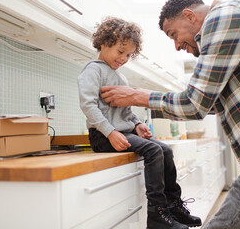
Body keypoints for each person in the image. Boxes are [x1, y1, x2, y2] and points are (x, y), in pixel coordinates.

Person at [100, 0, 240, 229]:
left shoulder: (222, 18)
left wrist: (136, 95)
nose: (177, 46)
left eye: (174, 34)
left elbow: (195, 104)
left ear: (190, 16)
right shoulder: (236, 16)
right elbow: (209, 103)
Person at [77, 16, 201, 229]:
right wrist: (110, 132)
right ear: (105, 42)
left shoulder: (121, 77)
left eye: (128, 55)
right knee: (154, 151)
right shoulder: (93, 70)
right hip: (105, 136)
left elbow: (126, 111)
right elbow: (88, 107)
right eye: (120, 52)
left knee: (166, 151)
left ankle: (173, 206)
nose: (124, 58)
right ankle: (157, 216)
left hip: (125, 133)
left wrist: (136, 124)